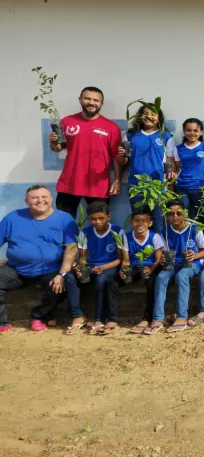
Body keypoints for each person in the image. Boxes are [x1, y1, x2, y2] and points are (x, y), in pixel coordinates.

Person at [0, 185, 80, 333]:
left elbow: (71, 247)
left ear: (51, 199)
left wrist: (62, 273)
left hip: (50, 269)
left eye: (44, 197)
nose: (40, 200)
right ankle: (2, 322)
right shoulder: (13, 218)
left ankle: (39, 316)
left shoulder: (64, 219)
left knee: (59, 287)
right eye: (35, 197)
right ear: (26, 201)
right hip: (16, 269)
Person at [48, 86, 121, 218]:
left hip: (98, 185)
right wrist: (53, 143)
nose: (91, 102)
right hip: (69, 183)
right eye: (87, 98)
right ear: (80, 100)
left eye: (96, 100)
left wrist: (116, 180)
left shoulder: (111, 127)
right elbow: (57, 148)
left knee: (100, 224)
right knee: (64, 224)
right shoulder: (67, 122)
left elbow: (117, 157)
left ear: (101, 104)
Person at [115, 104, 176, 235]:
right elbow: (122, 162)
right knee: (139, 222)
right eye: (145, 113)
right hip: (137, 187)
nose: (149, 116)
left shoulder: (166, 136)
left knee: (158, 223)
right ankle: (140, 253)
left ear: (159, 118)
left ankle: (159, 254)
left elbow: (169, 162)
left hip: (158, 188)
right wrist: (121, 155)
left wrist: (170, 187)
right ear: (140, 116)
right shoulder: (130, 136)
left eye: (153, 114)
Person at [149, 200, 204, 335]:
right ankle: (158, 318)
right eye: (171, 214)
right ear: (167, 216)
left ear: (185, 214)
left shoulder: (195, 229)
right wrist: (163, 258)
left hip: (192, 263)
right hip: (173, 264)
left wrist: (195, 255)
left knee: (182, 276)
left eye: (178, 213)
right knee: (161, 277)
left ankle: (181, 316)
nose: (175, 217)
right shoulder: (164, 232)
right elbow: (163, 253)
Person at [70, 202, 123, 335]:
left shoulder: (117, 231)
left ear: (108, 217)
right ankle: (78, 315)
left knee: (101, 280)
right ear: (89, 219)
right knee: (70, 277)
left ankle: (99, 318)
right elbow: (82, 257)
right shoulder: (85, 232)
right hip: (92, 265)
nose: (97, 222)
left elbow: (120, 259)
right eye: (93, 219)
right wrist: (80, 267)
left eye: (101, 218)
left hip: (110, 265)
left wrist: (103, 267)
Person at [122, 207, 165, 335]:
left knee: (152, 283)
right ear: (131, 223)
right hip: (135, 267)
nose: (140, 224)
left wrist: (151, 269)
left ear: (150, 223)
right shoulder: (127, 237)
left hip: (152, 266)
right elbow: (125, 259)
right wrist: (123, 270)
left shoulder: (155, 236)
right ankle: (110, 318)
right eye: (137, 221)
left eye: (144, 220)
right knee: (112, 281)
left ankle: (147, 318)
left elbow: (158, 260)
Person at [173, 118, 204, 222]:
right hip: (182, 188)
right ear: (184, 131)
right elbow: (178, 168)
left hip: (199, 188)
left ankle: (201, 238)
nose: (192, 133)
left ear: (201, 132)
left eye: (195, 130)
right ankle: (187, 238)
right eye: (188, 130)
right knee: (184, 218)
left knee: (200, 219)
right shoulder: (178, 149)